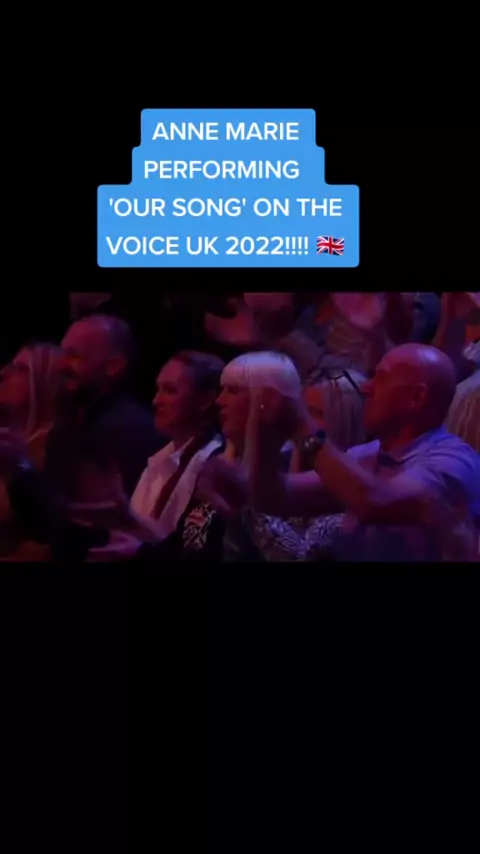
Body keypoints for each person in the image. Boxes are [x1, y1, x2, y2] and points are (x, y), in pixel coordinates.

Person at [245, 343, 480, 562]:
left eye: (381, 378)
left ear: (416, 397)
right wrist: (262, 427)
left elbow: (376, 501)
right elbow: (275, 497)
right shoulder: (367, 453)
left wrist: (300, 425)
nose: (366, 388)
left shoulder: (453, 461)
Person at [45, 314, 163, 498]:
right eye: (62, 354)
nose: (60, 365)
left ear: (114, 366)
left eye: (73, 355)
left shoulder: (126, 431)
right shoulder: (74, 421)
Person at [0, 343, 63, 560]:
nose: (3, 373)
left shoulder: (54, 448)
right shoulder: (11, 439)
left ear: (47, 383)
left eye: (21, 369)